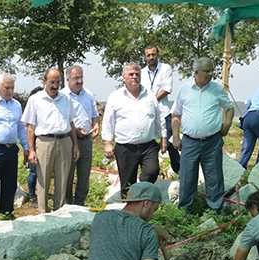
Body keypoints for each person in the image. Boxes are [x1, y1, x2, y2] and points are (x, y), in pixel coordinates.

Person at [171, 57, 234, 212]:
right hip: (189, 142)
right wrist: (176, 136)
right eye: (206, 71)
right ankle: (185, 211)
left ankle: (215, 210)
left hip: (212, 142)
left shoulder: (217, 89)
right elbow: (176, 115)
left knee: (214, 177)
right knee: (187, 178)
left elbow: (229, 108)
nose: (210, 74)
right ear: (196, 72)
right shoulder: (184, 89)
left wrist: (226, 125)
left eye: (211, 70)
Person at [102, 63, 167, 198]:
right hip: (125, 147)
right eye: (131, 74)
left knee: (152, 171)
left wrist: (164, 137)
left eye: (137, 74)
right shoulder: (115, 97)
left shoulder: (150, 95)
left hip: (148, 145)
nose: (134, 77)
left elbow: (159, 118)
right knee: (127, 184)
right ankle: (128, 210)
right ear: (123, 77)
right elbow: (108, 121)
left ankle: (142, 199)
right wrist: (107, 142)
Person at [21, 68, 80, 213]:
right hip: (44, 142)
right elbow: (30, 127)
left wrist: (75, 145)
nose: (55, 85)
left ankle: (59, 213)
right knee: (43, 179)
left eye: (58, 82)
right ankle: (43, 213)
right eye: (52, 82)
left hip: (65, 141)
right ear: (44, 81)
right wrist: (32, 150)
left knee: (63, 179)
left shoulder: (66, 99)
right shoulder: (35, 99)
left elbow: (71, 123)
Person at [0, 73, 29, 219]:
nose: (10, 91)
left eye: (12, 88)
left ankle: (6, 213)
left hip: (11, 150)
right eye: (7, 88)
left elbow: (20, 127)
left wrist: (26, 147)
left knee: (9, 185)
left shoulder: (16, 105)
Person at [62, 65, 99, 206]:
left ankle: (80, 204)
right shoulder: (62, 96)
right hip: (69, 140)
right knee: (68, 175)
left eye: (81, 77)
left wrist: (96, 125)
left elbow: (95, 115)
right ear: (68, 79)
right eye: (76, 78)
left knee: (84, 175)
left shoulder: (88, 94)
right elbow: (63, 119)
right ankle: (67, 204)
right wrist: (75, 131)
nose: (79, 81)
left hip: (86, 140)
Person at [141, 46, 179, 174]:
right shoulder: (141, 73)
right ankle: (151, 173)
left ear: (157, 55)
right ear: (145, 57)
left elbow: (167, 89)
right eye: (148, 55)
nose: (151, 57)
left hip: (164, 113)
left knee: (169, 145)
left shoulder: (165, 68)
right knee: (150, 146)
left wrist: (151, 101)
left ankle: (180, 171)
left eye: (153, 54)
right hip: (148, 116)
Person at [24, 86, 44, 206]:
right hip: (34, 143)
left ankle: (40, 195)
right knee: (33, 171)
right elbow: (28, 129)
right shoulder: (31, 110)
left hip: (43, 142)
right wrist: (29, 148)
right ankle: (32, 196)